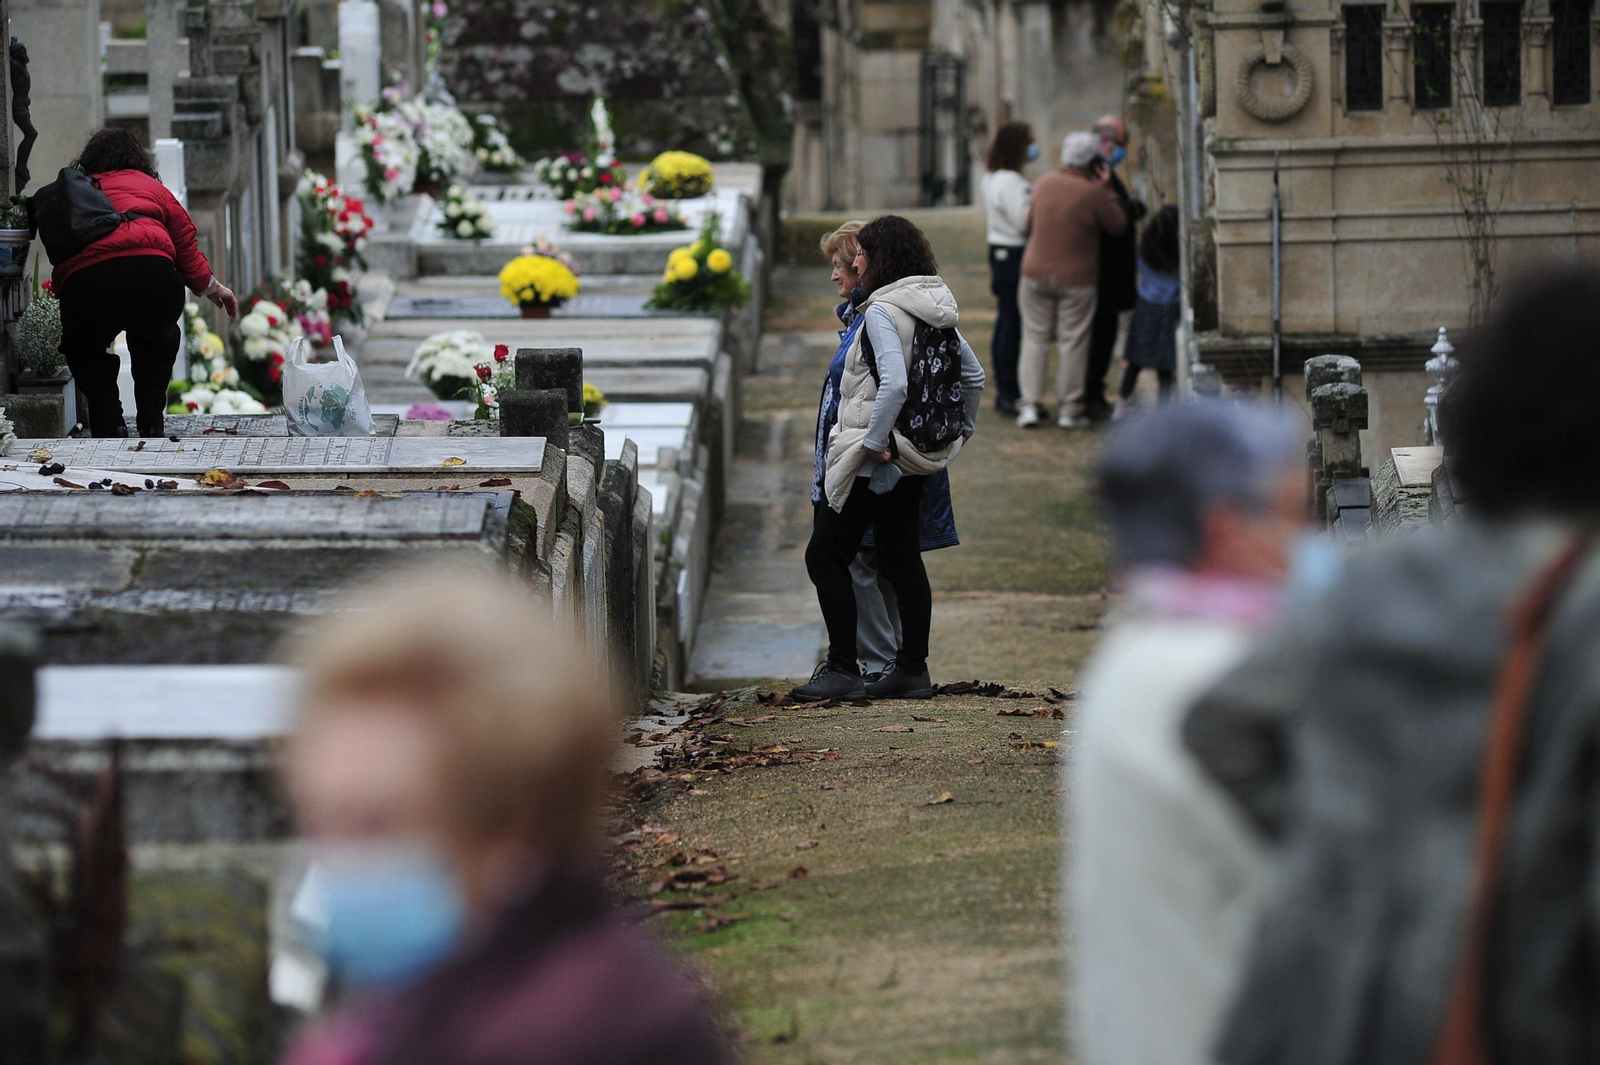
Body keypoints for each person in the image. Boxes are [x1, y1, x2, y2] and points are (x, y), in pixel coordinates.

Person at [1184, 264, 1600, 1065]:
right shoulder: (1582, 610)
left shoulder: (1377, 576)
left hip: (1319, 999)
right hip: (1512, 1011)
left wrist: (1334, 842)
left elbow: (1221, 722)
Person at [281, 566, 734, 1065]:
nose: (336, 866)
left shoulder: (577, 1035)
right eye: (319, 822)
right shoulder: (448, 990)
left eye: (377, 825)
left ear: (515, 821)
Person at [1069, 402, 1304, 1065]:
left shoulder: (1145, 652)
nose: (1308, 542)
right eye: (1293, 514)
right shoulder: (1217, 679)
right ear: (1230, 531)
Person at [795, 215, 986, 702]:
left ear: (880, 259)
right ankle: (911, 669)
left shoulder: (881, 310)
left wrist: (876, 440)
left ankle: (842, 666)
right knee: (902, 559)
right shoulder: (936, 306)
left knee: (826, 553)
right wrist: (959, 433)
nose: (855, 263)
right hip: (917, 457)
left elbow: (895, 382)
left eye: (861, 256)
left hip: (877, 455)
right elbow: (974, 376)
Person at [50, 127, 238, 438]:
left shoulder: (78, 190)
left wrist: (66, 292)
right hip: (153, 274)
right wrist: (211, 287)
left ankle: (109, 423)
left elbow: (61, 244)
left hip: (91, 280)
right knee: (157, 339)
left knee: (85, 347)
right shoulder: (153, 188)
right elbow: (185, 244)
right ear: (138, 158)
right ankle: (151, 422)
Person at [1016, 132, 1127, 430]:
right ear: (1092, 161)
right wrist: (1107, 191)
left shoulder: (1044, 184)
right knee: (1073, 342)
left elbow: (1028, 223)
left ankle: (1029, 405)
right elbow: (1118, 225)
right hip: (1078, 277)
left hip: (1035, 271)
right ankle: (1070, 409)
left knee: (1035, 338)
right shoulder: (1092, 192)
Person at [1082, 115, 1147, 422]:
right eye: (1121, 144)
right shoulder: (1096, 171)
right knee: (1099, 339)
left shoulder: (1103, 170)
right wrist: (1133, 208)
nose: (1122, 150)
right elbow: (1112, 217)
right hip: (1103, 274)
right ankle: (1091, 396)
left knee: (1103, 338)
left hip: (1110, 274)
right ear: (1106, 141)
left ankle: (1094, 393)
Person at [980, 121, 1035, 416]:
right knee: (1011, 324)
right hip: (1013, 252)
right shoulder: (1011, 181)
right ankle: (1009, 391)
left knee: (1006, 322)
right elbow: (1024, 221)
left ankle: (1006, 389)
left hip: (1000, 251)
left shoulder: (992, 177)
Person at [1114, 205, 1181, 416]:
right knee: (1165, 367)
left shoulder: (1144, 250)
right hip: (1172, 308)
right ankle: (1162, 413)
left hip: (1146, 306)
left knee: (1134, 361)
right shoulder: (1179, 255)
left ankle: (1120, 407)